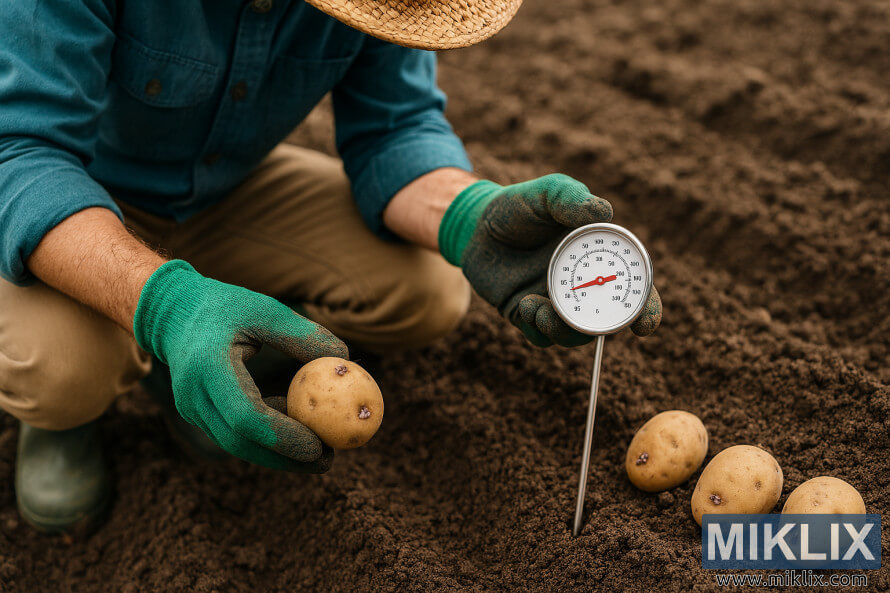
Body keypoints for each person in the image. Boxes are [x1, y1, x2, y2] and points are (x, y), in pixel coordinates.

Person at [0, 0, 662, 534]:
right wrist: (169, 304)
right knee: (62, 368)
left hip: (224, 192)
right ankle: (64, 419)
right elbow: (23, 154)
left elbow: (395, 128)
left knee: (425, 288)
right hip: (73, 200)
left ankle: (196, 348)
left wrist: (468, 218)